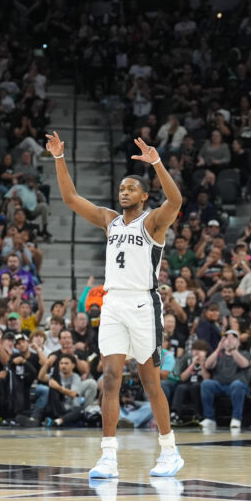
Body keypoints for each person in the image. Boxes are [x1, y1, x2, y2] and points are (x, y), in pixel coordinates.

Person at [46, 131, 185, 479]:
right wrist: (59, 158)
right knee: (110, 378)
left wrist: (156, 162)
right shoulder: (109, 220)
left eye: (131, 188)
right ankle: (108, 456)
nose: (124, 192)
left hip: (143, 303)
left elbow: (177, 201)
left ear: (144, 195)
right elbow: (71, 198)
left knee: (149, 381)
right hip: (112, 304)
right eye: (121, 188)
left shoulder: (152, 221)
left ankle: (169, 450)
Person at [198, 329, 251, 430]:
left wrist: (233, 350)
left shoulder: (244, 353)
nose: (230, 340)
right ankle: (210, 418)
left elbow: (244, 364)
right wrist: (218, 349)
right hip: (220, 385)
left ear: (238, 342)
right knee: (206, 384)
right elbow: (208, 365)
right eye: (227, 338)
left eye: (233, 338)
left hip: (237, 386)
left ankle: (236, 418)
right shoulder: (219, 354)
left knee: (237, 384)